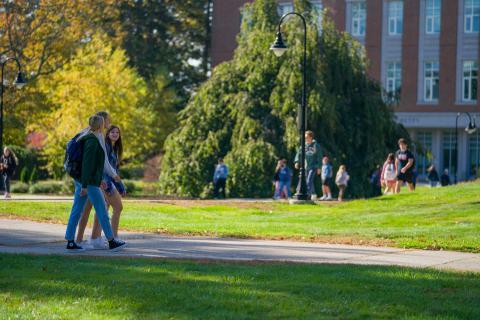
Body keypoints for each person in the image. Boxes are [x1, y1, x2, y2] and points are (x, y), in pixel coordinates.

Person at [64, 115, 126, 252]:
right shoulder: (92, 141)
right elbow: (87, 165)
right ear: (100, 125)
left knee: (77, 210)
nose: (106, 125)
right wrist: (86, 186)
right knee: (102, 209)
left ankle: (70, 241)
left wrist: (104, 178)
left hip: (84, 180)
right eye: (104, 123)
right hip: (88, 182)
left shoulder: (88, 135)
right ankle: (112, 241)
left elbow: (98, 165)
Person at [294, 131, 322, 198]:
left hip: (314, 166)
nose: (306, 139)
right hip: (306, 166)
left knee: (309, 179)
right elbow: (299, 153)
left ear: (311, 137)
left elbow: (319, 156)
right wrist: (297, 162)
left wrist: (319, 167)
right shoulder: (303, 145)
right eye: (305, 137)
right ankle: (313, 193)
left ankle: (307, 194)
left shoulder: (316, 145)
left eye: (307, 137)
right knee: (309, 180)